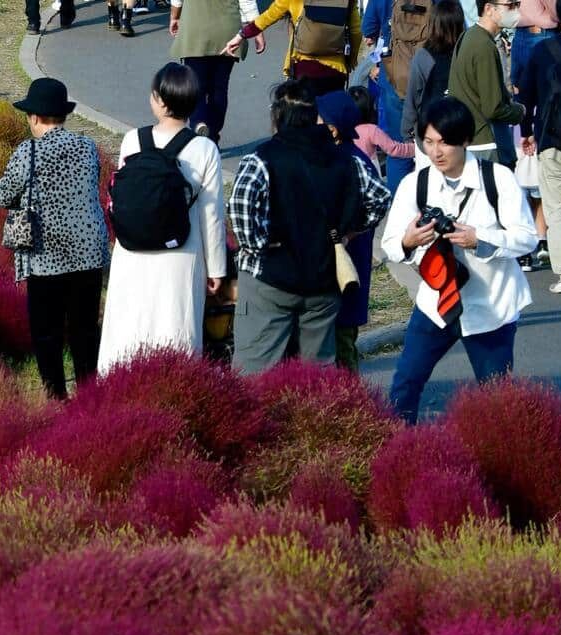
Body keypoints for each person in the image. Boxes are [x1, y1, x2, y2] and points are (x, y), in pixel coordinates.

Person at [384, 98, 536, 420]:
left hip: (491, 305)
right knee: (405, 385)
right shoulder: (416, 183)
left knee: (496, 401)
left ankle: (497, 463)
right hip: (435, 303)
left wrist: (480, 239)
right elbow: (390, 244)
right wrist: (408, 241)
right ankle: (396, 454)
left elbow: (527, 238)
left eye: (445, 142)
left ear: (465, 140)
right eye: (428, 142)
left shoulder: (497, 179)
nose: (436, 152)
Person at [228, 79, 392, 368]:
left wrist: (258, 243)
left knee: (257, 374)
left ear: (277, 116)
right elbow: (379, 197)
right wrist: (349, 232)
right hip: (323, 282)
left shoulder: (261, 158)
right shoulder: (346, 159)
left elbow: (241, 206)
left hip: (270, 280)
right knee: (314, 378)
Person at [100, 64, 229, 369]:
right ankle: (172, 387)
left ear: (158, 100)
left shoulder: (133, 140)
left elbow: (122, 195)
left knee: (128, 325)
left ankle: (117, 384)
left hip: (131, 250)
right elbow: (212, 216)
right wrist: (217, 269)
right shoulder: (205, 149)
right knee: (176, 324)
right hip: (181, 252)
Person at [0, 78, 110, 397]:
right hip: (87, 251)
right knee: (85, 328)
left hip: (46, 255)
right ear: (62, 115)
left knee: (47, 332)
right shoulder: (87, 147)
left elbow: (2, 194)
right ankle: (90, 394)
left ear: (34, 117)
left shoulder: (27, 151)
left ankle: (56, 396)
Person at [320, 89, 388, 369]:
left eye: (319, 119)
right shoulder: (340, 154)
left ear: (334, 129)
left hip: (348, 262)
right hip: (342, 260)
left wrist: (350, 233)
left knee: (343, 340)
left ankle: (352, 403)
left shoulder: (350, 160)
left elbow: (380, 200)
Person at [518, 0, 561, 291]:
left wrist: (527, 132)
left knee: (558, 208)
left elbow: (526, 97)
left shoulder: (543, 51)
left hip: (553, 138)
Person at [220, 0, 365, 97]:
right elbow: (356, 31)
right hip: (336, 69)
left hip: (304, 66)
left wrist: (242, 35)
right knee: (332, 120)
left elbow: (268, 16)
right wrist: (350, 61)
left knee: (305, 119)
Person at [171, 0, 264, 140]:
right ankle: (213, 133)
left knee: (196, 86)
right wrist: (257, 31)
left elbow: (177, 1)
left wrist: (175, 17)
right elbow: (247, 2)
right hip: (228, 32)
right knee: (219, 88)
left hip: (195, 30)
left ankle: (198, 122)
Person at [448, 0, 527, 163]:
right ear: (489, 9)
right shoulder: (484, 45)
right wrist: (520, 111)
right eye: (510, 5)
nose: (515, 10)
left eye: (517, 4)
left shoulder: (470, 36)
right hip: (486, 144)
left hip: (473, 139)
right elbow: (493, 108)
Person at [374, 0, 433, 190]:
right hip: (429, 78)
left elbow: (369, 29)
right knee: (432, 146)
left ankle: (400, 209)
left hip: (394, 77)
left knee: (398, 148)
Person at [404, 0, 466, 162]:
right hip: (461, 131)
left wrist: (407, 129)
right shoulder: (466, 53)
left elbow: (413, 96)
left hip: (430, 134)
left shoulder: (423, 56)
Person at [351, 84, 418, 164]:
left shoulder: (342, 129)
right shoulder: (371, 130)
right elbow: (393, 148)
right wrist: (416, 148)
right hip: (369, 171)